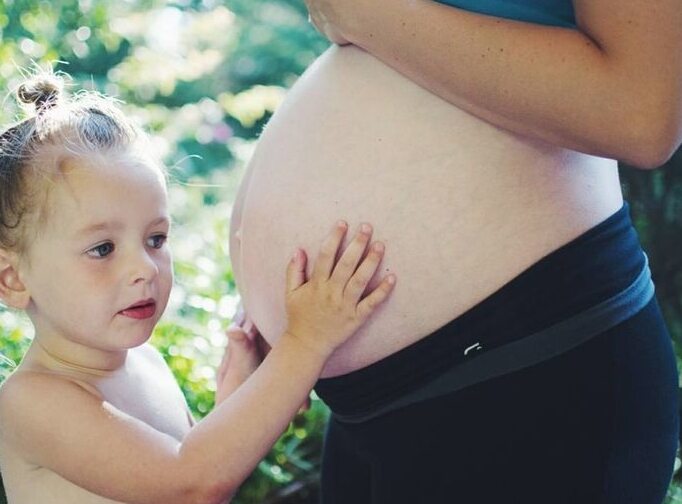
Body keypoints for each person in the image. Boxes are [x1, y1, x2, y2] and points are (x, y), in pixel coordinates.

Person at [229, 0, 681, 502]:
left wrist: (364, 12)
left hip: (530, 376)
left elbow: (643, 113)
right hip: (375, 403)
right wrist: (274, 300)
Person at [0, 72, 396, 504]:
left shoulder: (145, 362)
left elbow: (195, 472)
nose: (144, 268)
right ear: (12, 279)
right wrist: (306, 341)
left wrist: (234, 401)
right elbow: (192, 484)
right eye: (102, 248)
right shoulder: (29, 403)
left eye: (156, 239)